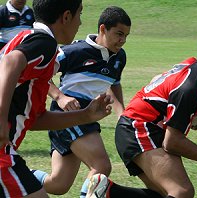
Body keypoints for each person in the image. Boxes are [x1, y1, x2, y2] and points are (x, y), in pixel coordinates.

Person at [86, 26, 197, 198]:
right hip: (138, 128)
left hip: (137, 127)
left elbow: (157, 80)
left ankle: (108, 192)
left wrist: (183, 116)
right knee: (182, 191)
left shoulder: (194, 66)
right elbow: (172, 142)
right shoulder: (192, 87)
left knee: (164, 193)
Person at [0, 0, 114, 197]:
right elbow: (11, 62)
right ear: (67, 17)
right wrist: (0, 118)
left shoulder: (28, 39)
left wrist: (85, 115)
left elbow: (34, 120)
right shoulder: (45, 42)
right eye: (80, 14)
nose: (80, 23)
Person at [31, 6, 131, 198]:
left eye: (126, 35)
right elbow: (41, 74)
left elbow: (114, 83)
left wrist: (122, 114)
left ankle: (13, 178)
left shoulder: (120, 56)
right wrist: (60, 97)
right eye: (119, 34)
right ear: (103, 29)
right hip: (67, 116)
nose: (123, 40)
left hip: (87, 117)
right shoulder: (75, 50)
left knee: (58, 184)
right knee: (101, 165)